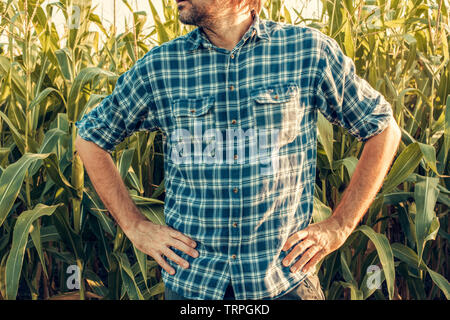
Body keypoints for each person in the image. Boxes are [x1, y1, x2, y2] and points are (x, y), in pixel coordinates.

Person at [74, 0, 401, 300]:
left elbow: (383, 128)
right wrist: (135, 227)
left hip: (284, 281)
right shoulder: (161, 67)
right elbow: (90, 137)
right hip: (194, 285)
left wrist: (340, 225)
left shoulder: (307, 52)